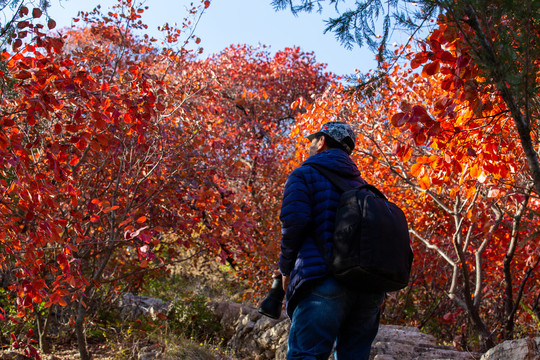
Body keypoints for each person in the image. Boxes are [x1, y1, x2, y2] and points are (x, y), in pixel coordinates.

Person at [278, 121, 384, 360]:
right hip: (368, 290)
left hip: (323, 281)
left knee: (307, 355)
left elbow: (294, 223)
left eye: (313, 140)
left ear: (322, 142)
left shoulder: (304, 174)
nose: (310, 145)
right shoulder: (365, 189)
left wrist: (285, 269)